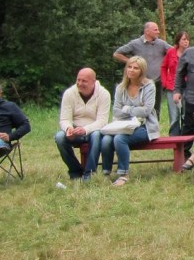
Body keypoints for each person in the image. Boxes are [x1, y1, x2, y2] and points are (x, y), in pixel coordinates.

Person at [100, 56, 160, 186]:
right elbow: (116, 111)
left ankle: (123, 174)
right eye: (129, 67)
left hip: (144, 126)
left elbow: (146, 111)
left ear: (142, 71)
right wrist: (135, 110)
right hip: (122, 125)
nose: (131, 70)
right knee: (106, 140)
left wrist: (126, 108)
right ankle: (106, 172)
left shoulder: (149, 86)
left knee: (119, 139)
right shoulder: (121, 88)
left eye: (135, 68)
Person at [55, 68, 111, 180]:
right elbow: (64, 119)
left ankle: (89, 173)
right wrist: (68, 129)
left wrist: (85, 129)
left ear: (93, 82)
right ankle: (75, 171)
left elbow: (102, 121)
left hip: (94, 130)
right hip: (75, 129)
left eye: (84, 81)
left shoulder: (104, 94)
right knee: (59, 137)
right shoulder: (69, 93)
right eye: (78, 80)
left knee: (96, 135)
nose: (80, 83)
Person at [113, 21, 170, 117]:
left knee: (156, 109)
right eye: (155, 30)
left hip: (157, 81)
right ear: (147, 31)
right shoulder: (135, 43)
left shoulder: (161, 44)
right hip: (140, 83)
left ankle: (154, 126)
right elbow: (117, 54)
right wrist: (132, 62)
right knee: (140, 107)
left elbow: (174, 53)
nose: (158, 32)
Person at [160, 30, 189, 135]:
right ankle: (174, 138)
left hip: (187, 87)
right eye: (184, 39)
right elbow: (163, 67)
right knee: (174, 115)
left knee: (185, 114)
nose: (186, 42)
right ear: (178, 41)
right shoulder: (171, 52)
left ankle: (184, 138)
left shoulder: (191, 53)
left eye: (187, 39)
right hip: (172, 86)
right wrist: (164, 82)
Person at [0, 82, 30, 156]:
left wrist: (10, 136)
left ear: (0, 93)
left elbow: (26, 126)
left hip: (1, 144)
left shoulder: (9, 107)